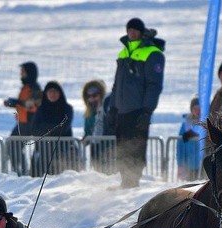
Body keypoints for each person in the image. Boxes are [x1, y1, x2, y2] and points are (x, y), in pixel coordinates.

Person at [109, 17, 165, 188]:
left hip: (138, 110)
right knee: (122, 145)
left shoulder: (153, 53)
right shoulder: (123, 52)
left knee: (136, 146)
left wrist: (147, 111)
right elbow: (116, 84)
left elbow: (154, 85)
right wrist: (112, 106)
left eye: (135, 30)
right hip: (122, 109)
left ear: (141, 32)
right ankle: (125, 180)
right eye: (129, 30)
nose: (131, 33)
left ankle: (132, 182)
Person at [4, 61, 42, 176]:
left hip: (30, 123)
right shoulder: (25, 87)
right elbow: (24, 104)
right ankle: (21, 172)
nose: (21, 74)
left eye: (23, 71)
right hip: (22, 122)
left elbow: (32, 105)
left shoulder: (34, 87)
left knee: (13, 145)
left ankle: (23, 173)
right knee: (12, 146)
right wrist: (13, 104)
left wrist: (16, 102)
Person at [30, 81, 74, 176]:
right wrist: (53, 128)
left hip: (63, 152)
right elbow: (34, 129)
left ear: (60, 93)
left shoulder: (67, 108)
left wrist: (44, 128)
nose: (52, 94)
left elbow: (63, 128)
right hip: (43, 153)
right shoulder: (40, 109)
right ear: (46, 94)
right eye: (50, 91)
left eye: (55, 91)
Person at [80, 79, 109, 172]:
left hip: (107, 147)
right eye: (89, 96)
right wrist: (86, 139)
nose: (92, 99)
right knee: (98, 172)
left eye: (95, 95)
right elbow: (88, 130)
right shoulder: (89, 113)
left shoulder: (107, 109)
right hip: (95, 148)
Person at [176, 96, 202, 181]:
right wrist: (180, 163)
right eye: (195, 109)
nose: (197, 111)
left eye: (199, 109)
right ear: (191, 109)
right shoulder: (186, 124)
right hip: (188, 163)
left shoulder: (205, 123)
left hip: (202, 163)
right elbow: (180, 144)